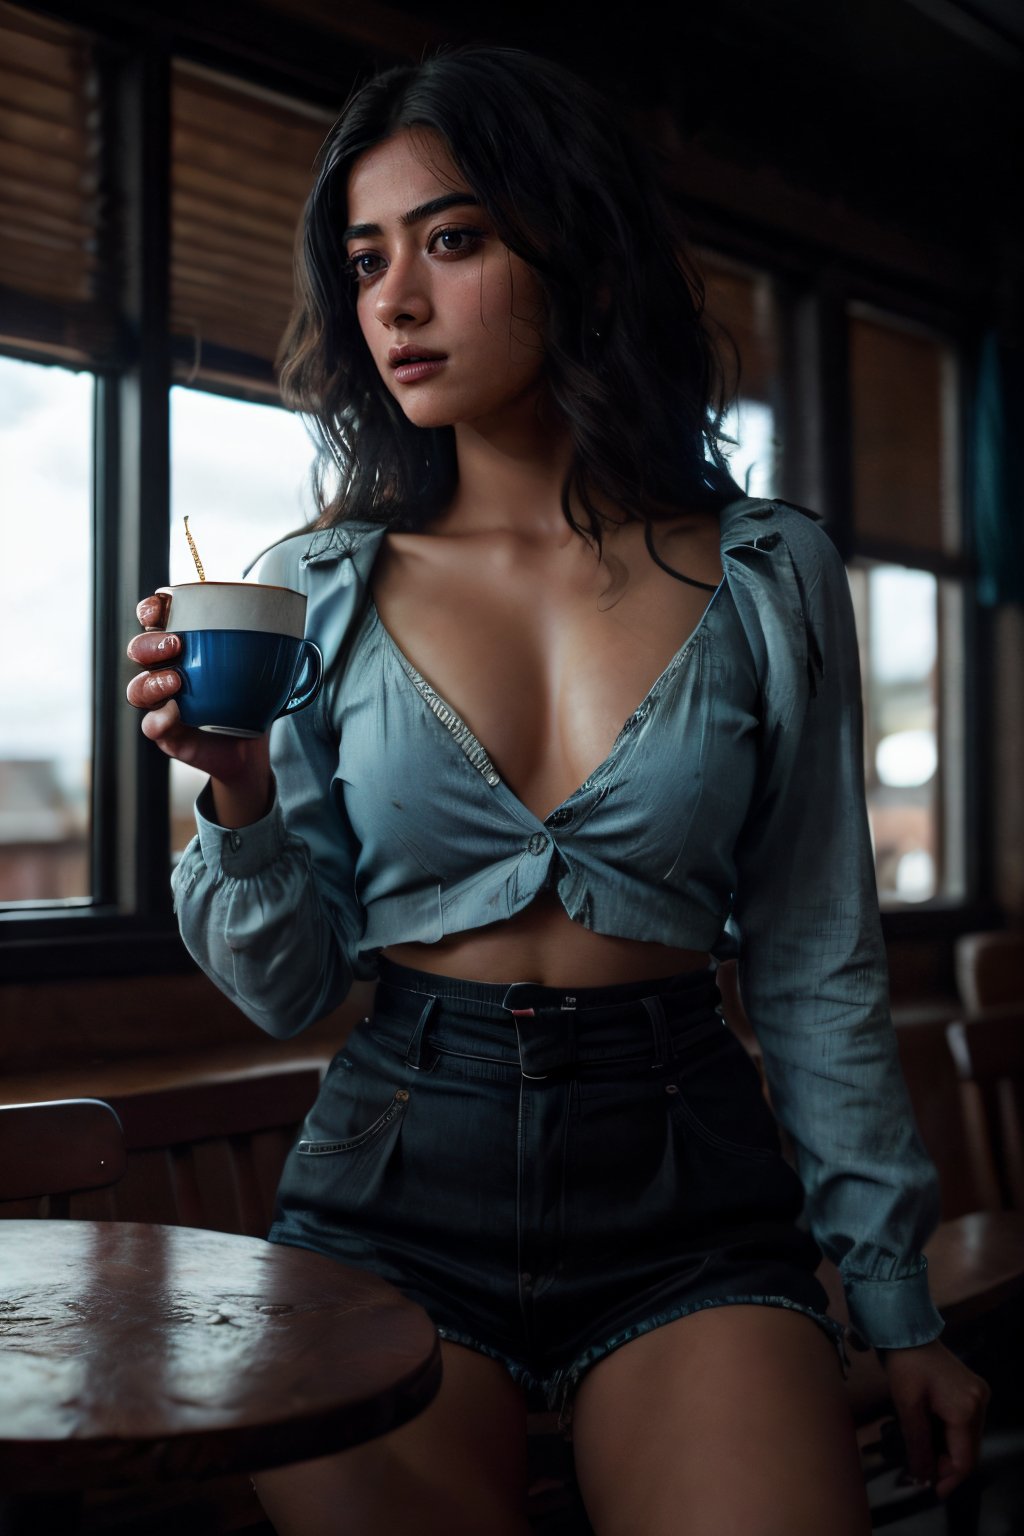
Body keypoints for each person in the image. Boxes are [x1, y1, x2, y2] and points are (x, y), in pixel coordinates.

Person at [127, 45, 989, 1536]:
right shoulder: (313, 591)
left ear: (575, 255)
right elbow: (285, 991)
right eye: (365, 258)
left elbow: (816, 957)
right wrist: (240, 798)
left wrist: (901, 1305)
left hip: (690, 1193)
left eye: (452, 241)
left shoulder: (771, 572)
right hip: (390, 1182)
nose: (393, 300)